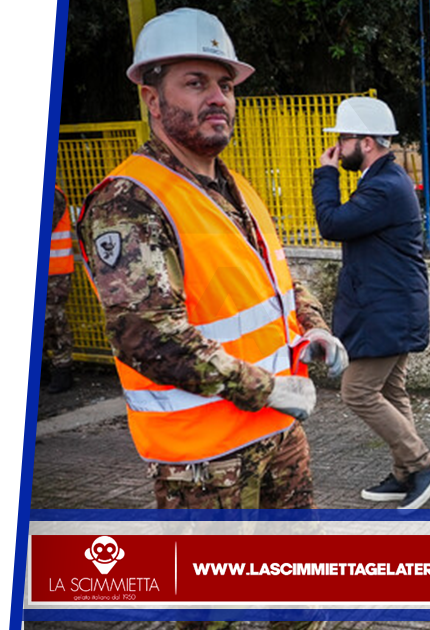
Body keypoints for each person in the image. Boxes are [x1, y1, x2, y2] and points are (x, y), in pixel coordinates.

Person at [77, 6, 347, 528]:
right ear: (152, 99)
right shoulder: (130, 202)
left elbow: (277, 279)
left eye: (225, 85)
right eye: (195, 83)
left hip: (279, 434)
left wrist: (312, 327)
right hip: (205, 464)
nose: (218, 97)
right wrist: (268, 389)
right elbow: (147, 336)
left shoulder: (235, 186)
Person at [312, 97, 430, 511]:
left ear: (366, 142)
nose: (337, 148)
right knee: (390, 389)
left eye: (343, 139)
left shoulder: (384, 187)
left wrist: (326, 174)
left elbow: (331, 224)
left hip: (386, 310)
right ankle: (406, 472)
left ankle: (424, 463)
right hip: (391, 306)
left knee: (357, 391)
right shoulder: (384, 179)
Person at [43, 184, 75, 393]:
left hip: (54, 272)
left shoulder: (52, 193)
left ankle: (62, 369)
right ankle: (44, 369)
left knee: (54, 321)